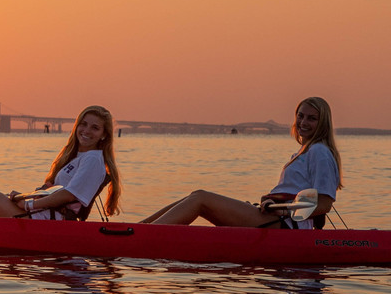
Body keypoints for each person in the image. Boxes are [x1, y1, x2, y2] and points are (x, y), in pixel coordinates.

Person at [141, 97, 341, 228]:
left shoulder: (319, 151)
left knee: (201, 199)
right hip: (274, 217)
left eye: (312, 118)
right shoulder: (303, 152)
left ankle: (142, 235)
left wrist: (281, 209)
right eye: (300, 116)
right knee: (195, 195)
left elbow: (324, 204)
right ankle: (138, 227)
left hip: (284, 222)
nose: (304, 122)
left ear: (322, 122)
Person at [0, 105, 122, 220]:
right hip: (40, 214)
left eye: (95, 128)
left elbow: (68, 195)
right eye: (83, 124)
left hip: (45, 221)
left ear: (104, 135)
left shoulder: (93, 159)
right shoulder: (78, 157)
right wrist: (25, 197)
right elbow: (56, 190)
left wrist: (30, 205)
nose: (86, 130)